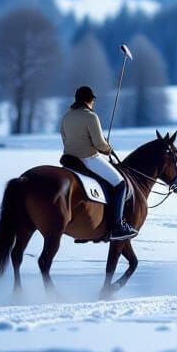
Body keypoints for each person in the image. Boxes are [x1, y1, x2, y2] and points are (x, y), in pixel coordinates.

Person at [60, 85, 138, 241]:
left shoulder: (67, 116)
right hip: (88, 158)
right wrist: (107, 148)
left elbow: (64, 138)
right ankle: (117, 226)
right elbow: (99, 144)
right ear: (90, 100)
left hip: (70, 159)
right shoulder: (91, 116)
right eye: (92, 101)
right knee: (120, 183)